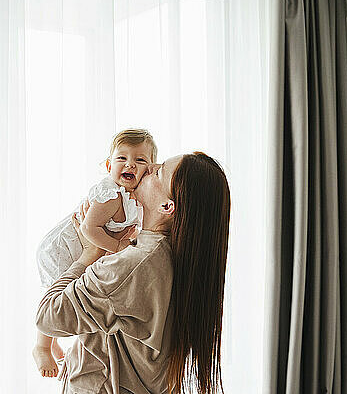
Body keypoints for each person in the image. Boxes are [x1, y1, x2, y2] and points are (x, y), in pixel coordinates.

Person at [36, 152, 231, 394]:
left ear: (167, 206)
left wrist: (88, 254)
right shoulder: (174, 256)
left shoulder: (135, 264)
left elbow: (48, 316)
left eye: (158, 172)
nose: (148, 168)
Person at [32, 129, 158, 378]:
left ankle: (56, 343)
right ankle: (42, 346)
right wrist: (118, 248)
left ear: (150, 169)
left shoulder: (134, 199)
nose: (130, 164)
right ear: (109, 165)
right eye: (122, 158)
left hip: (83, 248)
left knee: (81, 297)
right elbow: (89, 229)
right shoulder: (110, 195)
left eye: (140, 160)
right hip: (62, 248)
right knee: (62, 297)